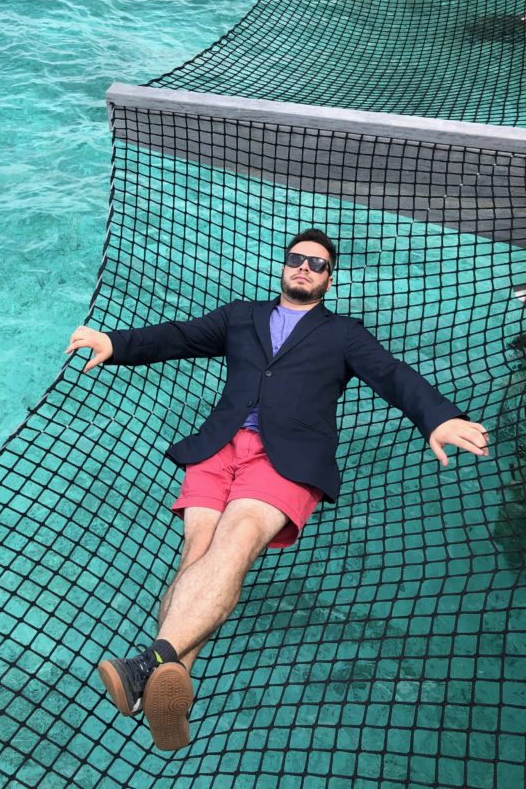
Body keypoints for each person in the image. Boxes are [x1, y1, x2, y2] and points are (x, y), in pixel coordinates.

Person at [65, 228, 489, 752]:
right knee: (195, 553)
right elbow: (176, 337)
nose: (304, 268)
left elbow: (392, 375)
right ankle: (164, 689)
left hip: (287, 458)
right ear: (284, 267)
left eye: (317, 264)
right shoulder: (240, 316)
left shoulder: (345, 334)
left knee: (237, 540)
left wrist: (437, 419)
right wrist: (115, 343)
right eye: (297, 260)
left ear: (329, 279)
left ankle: (147, 665)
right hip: (219, 447)